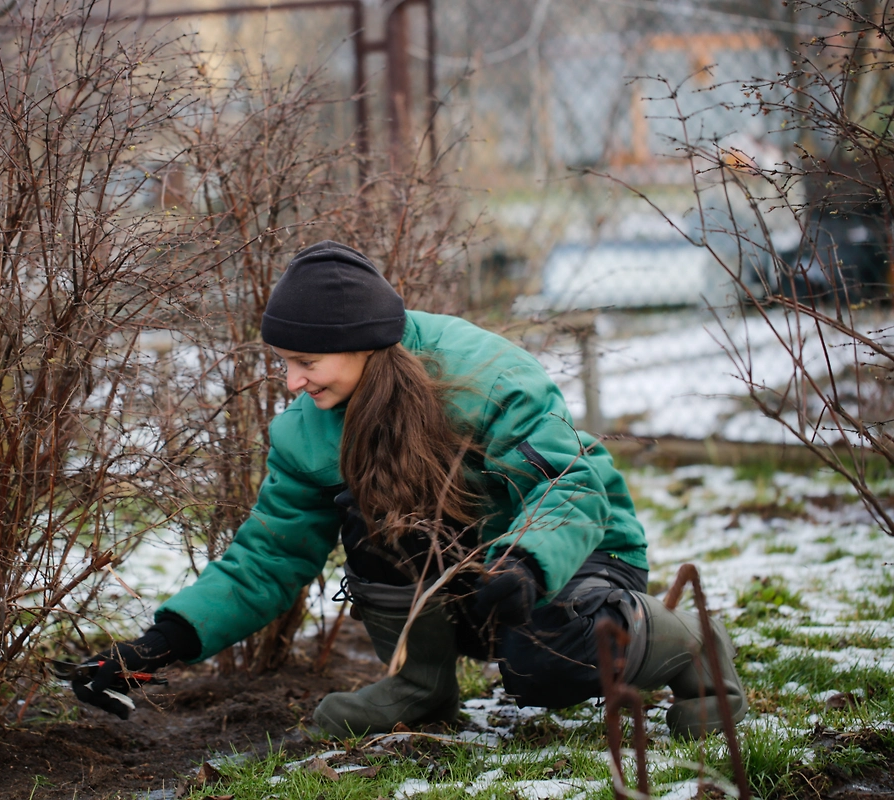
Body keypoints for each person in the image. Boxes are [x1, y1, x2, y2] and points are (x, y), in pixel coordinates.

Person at [69, 241, 747, 739]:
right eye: (284, 364)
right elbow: (270, 555)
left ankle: (694, 642)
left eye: (305, 363)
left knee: (543, 665)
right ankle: (421, 686)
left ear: (361, 344)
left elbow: (568, 491)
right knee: (367, 516)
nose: (291, 385)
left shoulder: (487, 379)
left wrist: (524, 564)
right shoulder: (310, 433)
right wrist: (161, 643)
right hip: (462, 569)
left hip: (572, 553)